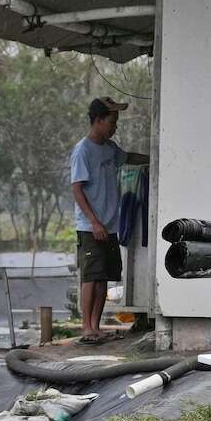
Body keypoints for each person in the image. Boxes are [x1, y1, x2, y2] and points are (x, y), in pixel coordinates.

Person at [70, 97, 148, 345]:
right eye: (112, 121)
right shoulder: (83, 150)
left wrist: (156, 157)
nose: (115, 126)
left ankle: (96, 325)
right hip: (90, 226)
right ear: (98, 120)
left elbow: (127, 158)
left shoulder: (109, 148)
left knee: (104, 276)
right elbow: (77, 189)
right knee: (91, 277)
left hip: (110, 224)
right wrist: (94, 222)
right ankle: (87, 327)